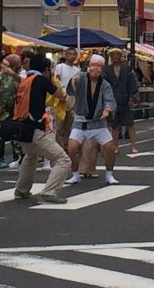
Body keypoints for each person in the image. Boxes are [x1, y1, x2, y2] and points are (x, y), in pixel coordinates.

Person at [12, 54, 70, 203]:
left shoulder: (25, 81)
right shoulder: (41, 79)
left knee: (30, 156)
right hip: (35, 128)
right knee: (63, 160)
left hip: (21, 127)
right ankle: (49, 192)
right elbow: (60, 95)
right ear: (46, 69)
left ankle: (21, 190)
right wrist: (52, 78)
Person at [65, 54, 118, 186]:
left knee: (110, 148)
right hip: (80, 122)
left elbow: (110, 100)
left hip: (98, 123)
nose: (95, 68)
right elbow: (73, 83)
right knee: (71, 148)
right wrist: (73, 81)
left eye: (99, 66)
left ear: (102, 69)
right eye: (93, 65)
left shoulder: (105, 84)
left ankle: (109, 175)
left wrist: (107, 109)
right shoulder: (81, 77)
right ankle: (75, 174)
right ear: (88, 67)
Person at [104, 48, 139, 154]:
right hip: (112, 99)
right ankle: (116, 146)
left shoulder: (127, 69)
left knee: (130, 124)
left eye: (117, 54)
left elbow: (132, 83)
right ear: (110, 57)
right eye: (113, 55)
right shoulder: (107, 70)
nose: (115, 57)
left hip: (125, 98)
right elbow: (104, 86)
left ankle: (133, 146)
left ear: (121, 56)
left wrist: (132, 97)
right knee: (114, 125)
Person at [53, 48, 80, 153]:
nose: (72, 56)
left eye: (74, 54)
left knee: (70, 124)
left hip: (72, 98)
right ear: (66, 55)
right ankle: (57, 148)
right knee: (59, 125)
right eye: (70, 54)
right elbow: (56, 80)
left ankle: (66, 145)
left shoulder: (77, 70)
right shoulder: (60, 67)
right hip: (61, 97)